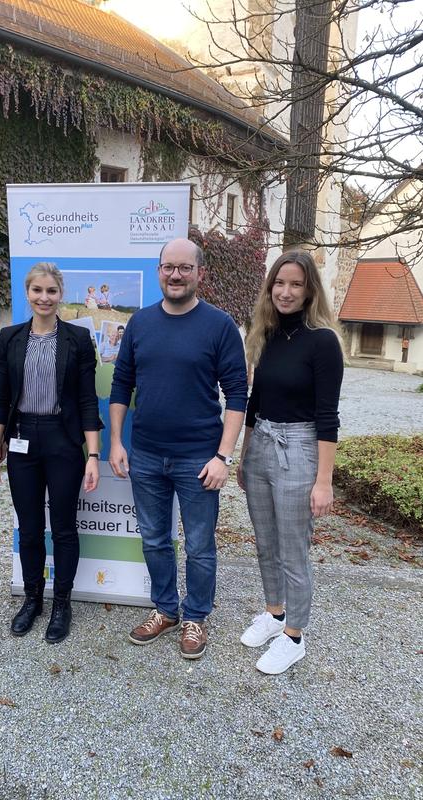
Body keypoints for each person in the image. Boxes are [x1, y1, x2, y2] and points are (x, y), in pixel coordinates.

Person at [109, 238, 248, 660]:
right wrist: (116, 441)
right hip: (146, 454)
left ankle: (196, 617)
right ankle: (166, 609)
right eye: (168, 267)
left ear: (200, 273)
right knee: (153, 539)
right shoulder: (140, 323)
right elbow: (121, 384)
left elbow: (238, 394)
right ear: (159, 271)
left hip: (198, 458)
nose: (175, 275)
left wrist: (223, 456)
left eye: (185, 268)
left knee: (200, 545)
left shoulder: (220, 325)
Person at [237, 250, 344, 675]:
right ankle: (274, 613)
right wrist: (245, 453)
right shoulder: (263, 335)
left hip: (299, 448)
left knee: (292, 550)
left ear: (309, 290)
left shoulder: (322, 342)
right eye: (279, 283)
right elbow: (254, 401)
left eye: (295, 284)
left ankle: (294, 635)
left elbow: (328, 417)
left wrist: (323, 480)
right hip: (261, 442)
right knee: (265, 542)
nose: (285, 291)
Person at [0, 262, 102, 644]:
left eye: (51, 291)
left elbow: (87, 401)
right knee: (30, 528)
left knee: (65, 528)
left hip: (63, 441)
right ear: (27, 293)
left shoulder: (78, 339)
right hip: (21, 442)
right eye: (37, 290)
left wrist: (94, 455)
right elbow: (0, 399)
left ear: (60, 294)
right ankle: (32, 598)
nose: (44, 298)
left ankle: (61, 603)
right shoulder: (10, 338)